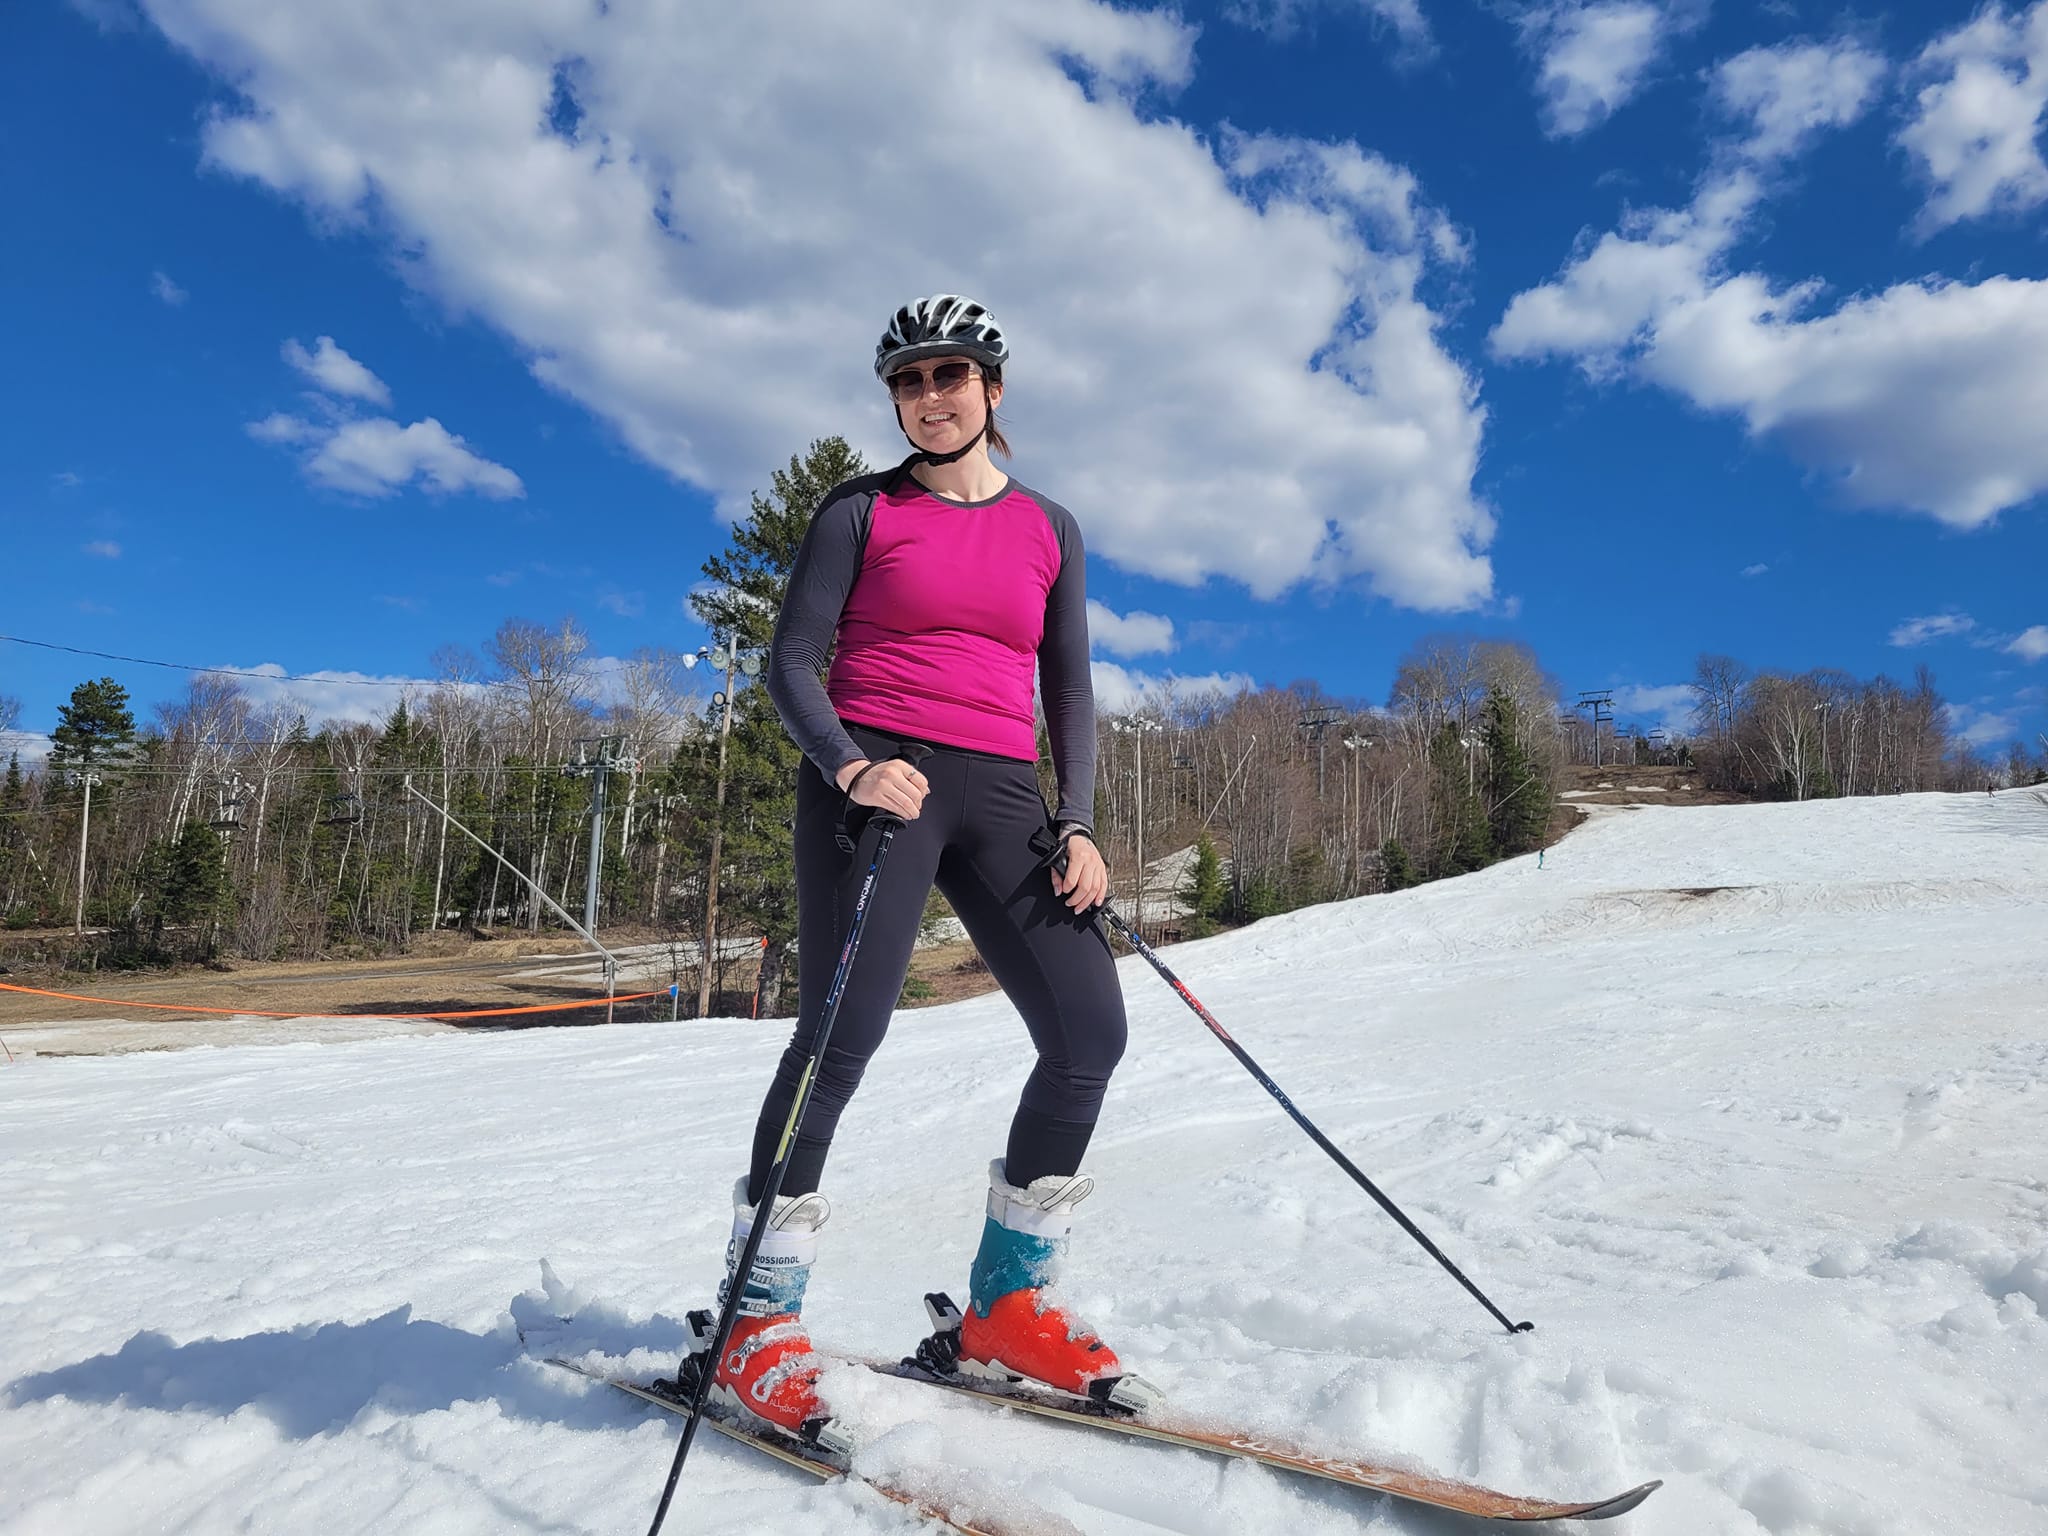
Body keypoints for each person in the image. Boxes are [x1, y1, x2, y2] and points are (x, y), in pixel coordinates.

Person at [705, 295, 1141, 1447]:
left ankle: (1006, 1309)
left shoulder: (1050, 526)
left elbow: (1071, 691)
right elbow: (792, 658)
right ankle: (751, 1324)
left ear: (991, 391)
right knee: (841, 1035)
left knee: (1088, 1031)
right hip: (879, 783)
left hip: (1006, 795)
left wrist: (1080, 820)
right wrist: (848, 766)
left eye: (951, 376)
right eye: (908, 380)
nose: (928, 395)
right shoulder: (859, 511)